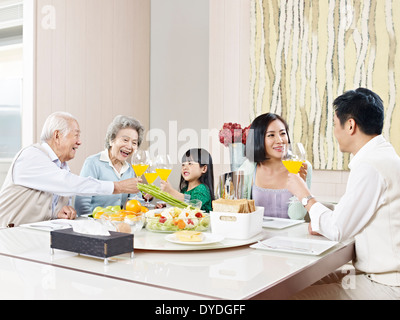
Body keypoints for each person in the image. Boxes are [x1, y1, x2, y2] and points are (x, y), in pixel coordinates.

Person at [287, 88, 400, 299]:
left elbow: (339, 229)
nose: (334, 131)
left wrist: (305, 196)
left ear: (350, 125)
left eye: (334, 124)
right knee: (295, 284)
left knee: (291, 296)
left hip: (387, 284)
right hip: (377, 274)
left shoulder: (370, 165)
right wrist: (323, 218)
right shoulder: (382, 155)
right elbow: (351, 214)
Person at [0, 112, 141, 228]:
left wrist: (58, 214)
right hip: (9, 236)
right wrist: (117, 186)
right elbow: (67, 183)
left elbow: (43, 205)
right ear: (57, 136)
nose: (79, 142)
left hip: (32, 238)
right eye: (76, 135)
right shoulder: (31, 156)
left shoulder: (62, 167)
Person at [238, 113, 312, 219]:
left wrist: (301, 185)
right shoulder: (249, 168)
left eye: (282, 133)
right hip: (256, 233)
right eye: (271, 135)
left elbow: (297, 216)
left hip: (290, 234)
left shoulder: (301, 167)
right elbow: (241, 212)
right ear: (258, 140)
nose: (280, 140)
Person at [75, 115, 144, 216]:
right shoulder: (93, 163)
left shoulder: (130, 169)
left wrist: (146, 198)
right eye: (125, 140)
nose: (129, 146)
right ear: (111, 140)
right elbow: (81, 205)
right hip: (95, 225)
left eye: (134, 143)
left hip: (119, 224)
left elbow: (137, 203)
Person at [159, 148, 214, 212]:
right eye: (183, 164)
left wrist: (170, 191)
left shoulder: (202, 189)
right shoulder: (184, 190)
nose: (185, 167)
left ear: (204, 169)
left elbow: (192, 204)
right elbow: (181, 206)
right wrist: (167, 205)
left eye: (190, 163)